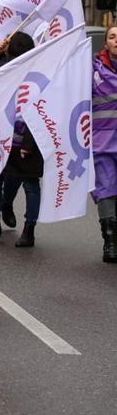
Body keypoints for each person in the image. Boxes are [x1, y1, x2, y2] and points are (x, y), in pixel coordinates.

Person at [0, 33, 40, 246]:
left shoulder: (40, 73)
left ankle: (28, 229)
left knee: (29, 183)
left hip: (28, 139)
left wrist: (30, 143)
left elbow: (43, 110)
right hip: (1, 137)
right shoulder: (2, 70)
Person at [92, 25, 117, 263]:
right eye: (112, 37)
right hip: (102, 144)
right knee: (106, 191)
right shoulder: (93, 70)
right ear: (106, 43)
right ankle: (110, 242)